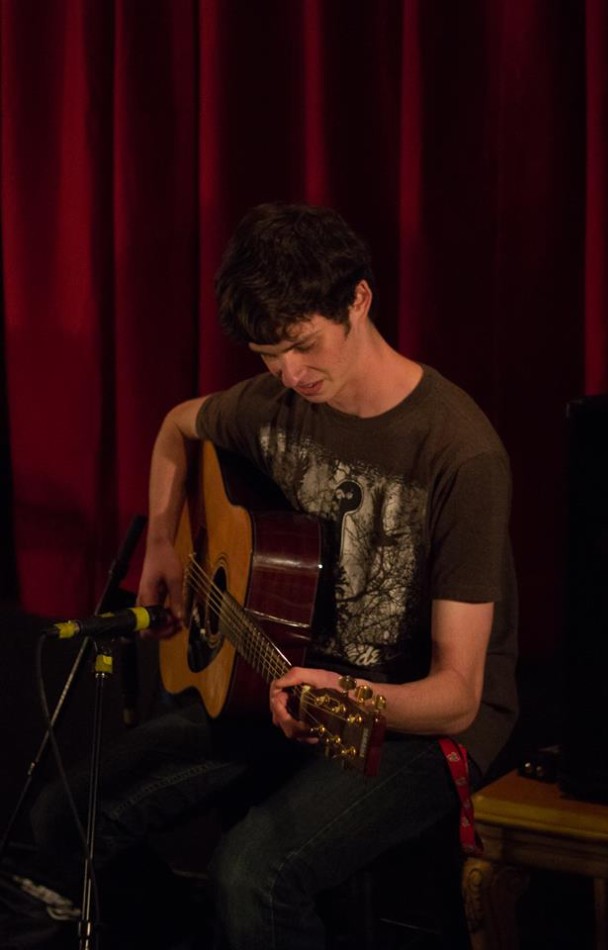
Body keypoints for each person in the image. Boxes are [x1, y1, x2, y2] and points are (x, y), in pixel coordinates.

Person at [29, 202, 518, 949]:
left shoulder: (458, 451)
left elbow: (457, 697)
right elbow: (175, 426)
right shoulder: (272, 406)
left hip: (411, 719)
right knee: (66, 815)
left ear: (357, 299)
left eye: (301, 345)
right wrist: (163, 544)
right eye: (266, 354)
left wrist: (345, 693)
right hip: (289, 676)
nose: (290, 373)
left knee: (252, 873)